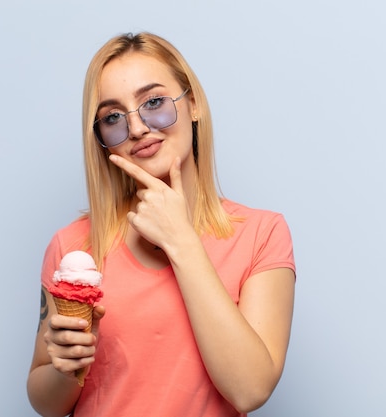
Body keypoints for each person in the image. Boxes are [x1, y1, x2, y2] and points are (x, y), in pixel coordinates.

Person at [27, 32, 295, 417]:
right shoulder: (73, 247)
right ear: (101, 139)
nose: (136, 128)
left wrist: (181, 240)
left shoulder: (262, 234)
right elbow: (44, 401)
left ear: (194, 104)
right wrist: (66, 368)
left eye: (154, 102)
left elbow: (250, 389)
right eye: (113, 117)